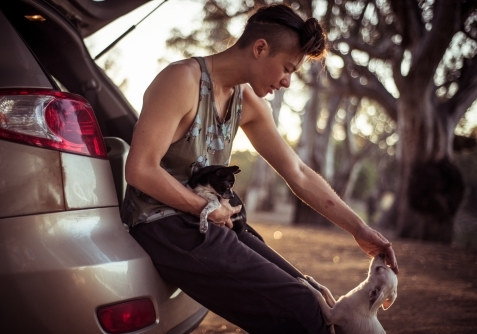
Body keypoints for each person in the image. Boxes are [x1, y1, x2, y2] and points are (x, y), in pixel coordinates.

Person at [123, 4, 398, 333]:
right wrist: (205, 207)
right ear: (260, 48)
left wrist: (359, 229)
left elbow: (296, 171)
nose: (286, 82)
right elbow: (139, 170)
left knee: (315, 297)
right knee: (303, 312)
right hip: (163, 225)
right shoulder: (181, 80)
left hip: (214, 222)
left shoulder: (246, 102)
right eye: (287, 68)